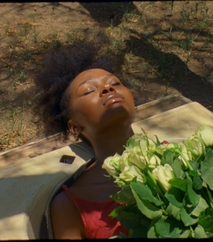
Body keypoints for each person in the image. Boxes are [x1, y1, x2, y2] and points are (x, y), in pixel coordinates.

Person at [33, 38, 136, 239]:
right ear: (74, 126)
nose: (108, 89)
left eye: (115, 83)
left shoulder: (179, 157)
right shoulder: (69, 204)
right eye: (89, 90)